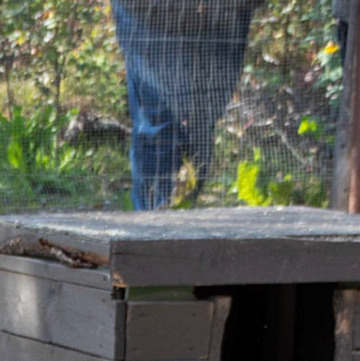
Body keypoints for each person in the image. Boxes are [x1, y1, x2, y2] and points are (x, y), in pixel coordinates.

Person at [112, 0, 261, 210]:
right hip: (151, 20)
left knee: (198, 126)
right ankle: (154, 227)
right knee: (159, 128)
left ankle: (182, 217)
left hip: (219, 20)